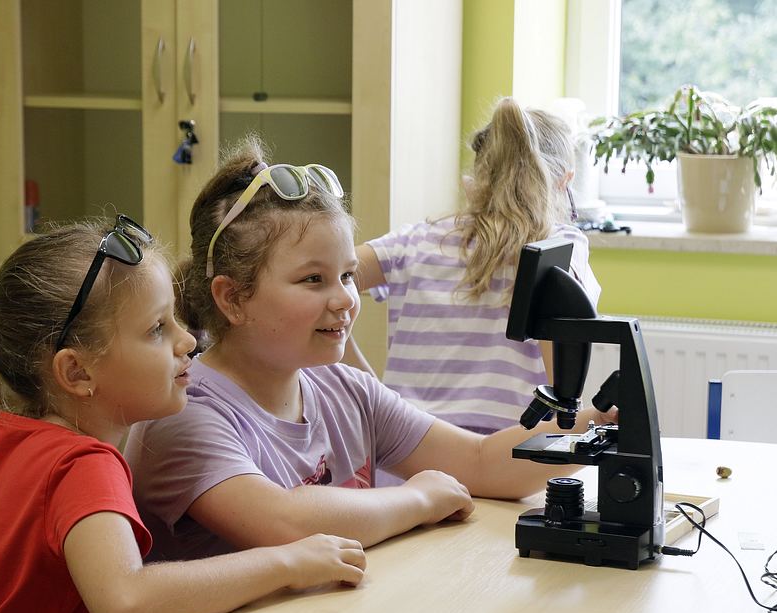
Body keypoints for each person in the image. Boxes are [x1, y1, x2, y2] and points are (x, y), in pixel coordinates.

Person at [124, 137, 615, 562]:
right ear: (232, 298)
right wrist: (417, 499)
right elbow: (282, 521)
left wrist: (602, 423)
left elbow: (481, 460)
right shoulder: (185, 414)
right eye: (313, 279)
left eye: (347, 276)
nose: (344, 299)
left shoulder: (346, 390)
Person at [0, 219, 366, 613]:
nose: (186, 340)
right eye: (156, 329)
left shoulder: (22, 439)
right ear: (77, 372)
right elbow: (126, 603)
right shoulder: (80, 463)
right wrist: (289, 563)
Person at [347, 97, 602, 484]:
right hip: (505, 463)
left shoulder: (415, 241)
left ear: (477, 176)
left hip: (405, 460)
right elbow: (565, 383)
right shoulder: (558, 248)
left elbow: (328, 279)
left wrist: (363, 384)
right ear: (565, 181)